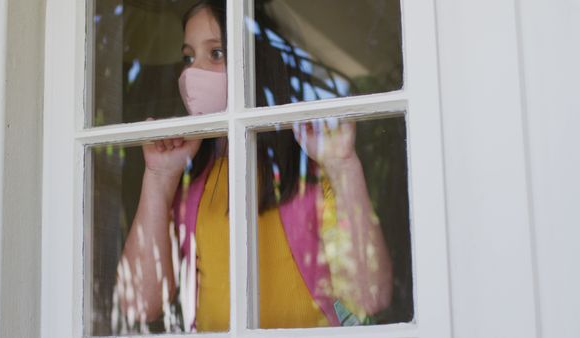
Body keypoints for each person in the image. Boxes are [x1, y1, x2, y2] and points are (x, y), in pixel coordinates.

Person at [116, 0, 392, 332]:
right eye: (188, 57)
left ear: (256, 62)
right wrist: (159, 177)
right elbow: (138, 305)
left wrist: (344, 166)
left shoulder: (311, 172)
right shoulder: (189, 180)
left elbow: (370, 296)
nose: (192, 72)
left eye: (216, 54)